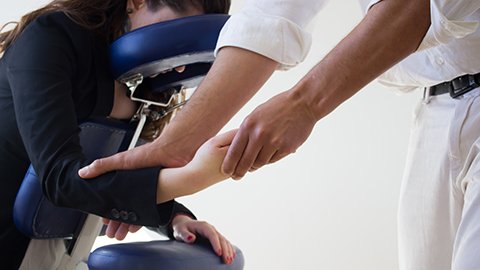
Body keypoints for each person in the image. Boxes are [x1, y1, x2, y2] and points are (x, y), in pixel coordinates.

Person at [80, 0, 480, 269]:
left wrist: (303, 104)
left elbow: (424, 6)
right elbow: (270, 19)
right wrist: (174, 148)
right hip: (436, 106)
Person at [0, 0, 239, 269]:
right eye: (176, 31)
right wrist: (189, 178)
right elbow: (61, 179)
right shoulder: (51, 37)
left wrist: (175, 219)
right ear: (137, 2)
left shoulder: (143, 81)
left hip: (60, 257)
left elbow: (117, 177)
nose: (180, 66)